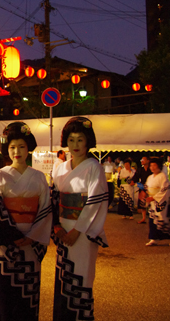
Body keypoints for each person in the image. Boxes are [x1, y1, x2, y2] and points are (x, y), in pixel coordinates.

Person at [0, 122, 52, 321]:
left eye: (21, 146)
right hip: (6, 242)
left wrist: (32, 237)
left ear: (28, 148)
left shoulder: (39, 177)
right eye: (12, 147)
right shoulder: (0, 174)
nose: (17, 151)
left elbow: (45, 209)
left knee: (28, 291)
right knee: (5, 292)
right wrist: (12, 236)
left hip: (31, 242)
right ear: (7, 149)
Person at [52, 117, 108, 321]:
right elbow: (54, 199)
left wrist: (77, 230)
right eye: (71, 140)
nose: (75, 145)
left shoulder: (94, 167)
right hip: (62, 230)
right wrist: (56, 226)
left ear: (88, 142)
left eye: (80, 140)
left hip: (82, 232)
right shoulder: (60, 168)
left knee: (81, 275)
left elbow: (95, 202)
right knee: (63, 274)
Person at [144, 157, 170, 247]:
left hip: (159, 201)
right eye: (151, 165)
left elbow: (165, 190)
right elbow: (147, 187)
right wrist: (145, 194)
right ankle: (154, 238)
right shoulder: (150, 177)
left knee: (161, 220)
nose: (152, 167)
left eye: (154, 165)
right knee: (152, 220)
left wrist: (154, 197)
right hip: (152, 200)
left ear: (159, 166)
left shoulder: (163, 176)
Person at [130, 156, 153, 224]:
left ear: (148, 161)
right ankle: (143, 218)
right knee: (143, 204)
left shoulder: (151, 169)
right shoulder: (140, 169)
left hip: (151, 187)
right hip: (143, 187)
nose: (141, 161)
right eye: (141, 159)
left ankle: (153, 217)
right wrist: (133, 181)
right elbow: (136, 176)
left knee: (151, 202)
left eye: (143, 159)